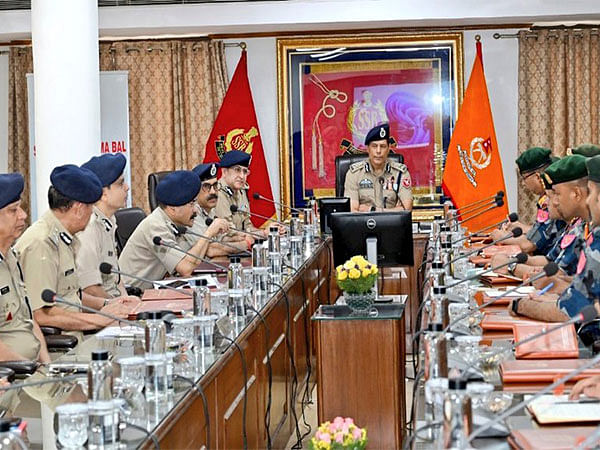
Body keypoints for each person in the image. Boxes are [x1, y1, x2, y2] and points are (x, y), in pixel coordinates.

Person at [15, 165, 134, 339]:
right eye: (90, 207)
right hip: (63, 348)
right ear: (78, 209)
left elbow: (70, 297)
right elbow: (41, 314)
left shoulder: (65, 238)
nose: (93, 212)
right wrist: (99, 319)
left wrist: (110, 304)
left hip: (78, 335)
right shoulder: (41, 243)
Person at [509, 155, 600, 324]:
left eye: (592, 193)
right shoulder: (590, 229)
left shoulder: (594, 235)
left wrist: (519, 306)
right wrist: (562, 289)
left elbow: (570, 311)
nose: (588, 200)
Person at [119, 170, 230, 289]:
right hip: (133, 296)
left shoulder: (176, 223)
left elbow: (198, 255)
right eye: (191, 204)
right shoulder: (156, 226)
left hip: (156, 289)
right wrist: (209, 233)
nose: (196, 210)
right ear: (173, 209)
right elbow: (187, 268)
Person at [0, 173, 49, 363]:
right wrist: (31, 369)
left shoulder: (11, 256)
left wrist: (47, 366)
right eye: (13, 210)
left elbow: (29, 320)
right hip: (12, 375)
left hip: (30, 370)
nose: (23, 215)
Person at [77, 154, 136, 301]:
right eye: (121, 183)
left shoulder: (110, 220)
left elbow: (116, 280)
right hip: (101, 311)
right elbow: (90, 289)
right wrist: (118, 305)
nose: (127, 187)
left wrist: (128, 303)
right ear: (103, 194)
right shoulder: (89, 227)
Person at [489, 147, 556, 251]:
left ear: (538, 177)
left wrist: (501, 238)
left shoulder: (551, 202)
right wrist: (523, 228)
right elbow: (544, 230)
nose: (524, 184)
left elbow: (529, 244)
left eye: (524, 178)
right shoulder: (545, 198)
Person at [343, 123, 412, 212]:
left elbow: (407, 210)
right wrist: (394, 210)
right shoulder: (354, 173)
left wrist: (371, 209)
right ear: (368, 149)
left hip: (392, 225)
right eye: (374, 146)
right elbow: (353, 211)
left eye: (383, 146)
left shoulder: (400, 173)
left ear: (388, 149)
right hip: (362, 225)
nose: (378, 151)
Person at [186, 162, 248, 256]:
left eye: (215, 185)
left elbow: (221, 239)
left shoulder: (211, 211)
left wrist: (239, 238)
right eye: (206, 187)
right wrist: (246, 244)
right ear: (195, 190)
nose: (213, 192)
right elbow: (210, 250)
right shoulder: (191, 214)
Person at [215, 150, 267, 236]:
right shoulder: (219, 193)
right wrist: (263, 233)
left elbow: (247, 226)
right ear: (224, 172)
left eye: (245, 171)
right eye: (237, 170)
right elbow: (229, 232)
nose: (242, 176)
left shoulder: (241, 191)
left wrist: (270, 231)